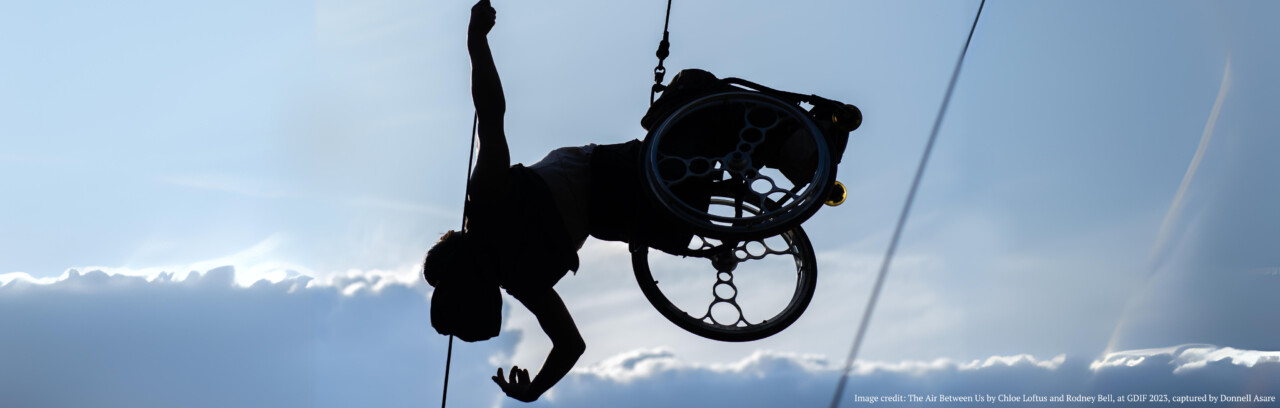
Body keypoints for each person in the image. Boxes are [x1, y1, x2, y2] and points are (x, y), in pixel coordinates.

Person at [423, 0, 696, 402]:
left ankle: (775, 135)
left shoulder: (485, 204)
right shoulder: (520, 281)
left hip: (603, 175)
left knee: (695, 142)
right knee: (692, 213)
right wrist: (534, 390)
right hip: (613, 213)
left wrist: (476, 41)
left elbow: (491, 112)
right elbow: (571, 345)